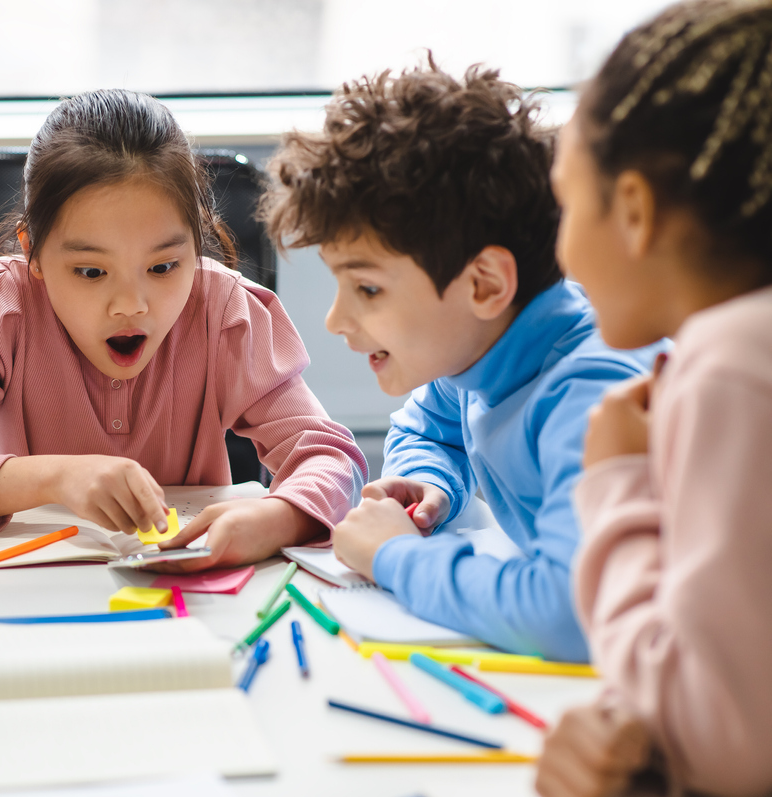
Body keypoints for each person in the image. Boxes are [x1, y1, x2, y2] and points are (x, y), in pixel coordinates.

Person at [261, 60, 664, 661]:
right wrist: (431, 486)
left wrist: (398, 557)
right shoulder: (480, 352)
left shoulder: (591, 396)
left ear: (483, 285)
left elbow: (566, 613)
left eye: (366, 289)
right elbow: (428, 428)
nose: (335, 320)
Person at [0, 89, 365, 569]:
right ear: (33, 253)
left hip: (190, 598)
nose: (131, 306)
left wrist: (280, 516)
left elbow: (329, 457)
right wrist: (58, 477)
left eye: (164, 267)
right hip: (28, 589)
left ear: (197, 244)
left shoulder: (224, 312)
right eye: (90, 272)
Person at [534, 0, 772, 797]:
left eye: (566, 206)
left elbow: (724, 737)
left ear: (633, 210)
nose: (562, 251)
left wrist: (621, 480)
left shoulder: (732, 361)